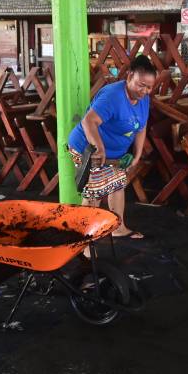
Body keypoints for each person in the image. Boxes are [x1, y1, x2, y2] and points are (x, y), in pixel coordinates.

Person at [67, 55, 156, 239]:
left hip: (113, 153)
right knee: (96, 189)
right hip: (87, 146)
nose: (145, 91)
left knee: (117, 184)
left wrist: (137, 155)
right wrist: (99, 148)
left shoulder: (144, 98)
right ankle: (84, 239)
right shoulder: (113, 96)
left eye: (149, 87)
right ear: (130, 76)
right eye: (141, 85)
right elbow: (88, 121)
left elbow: (141, 126)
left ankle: (118, 228)